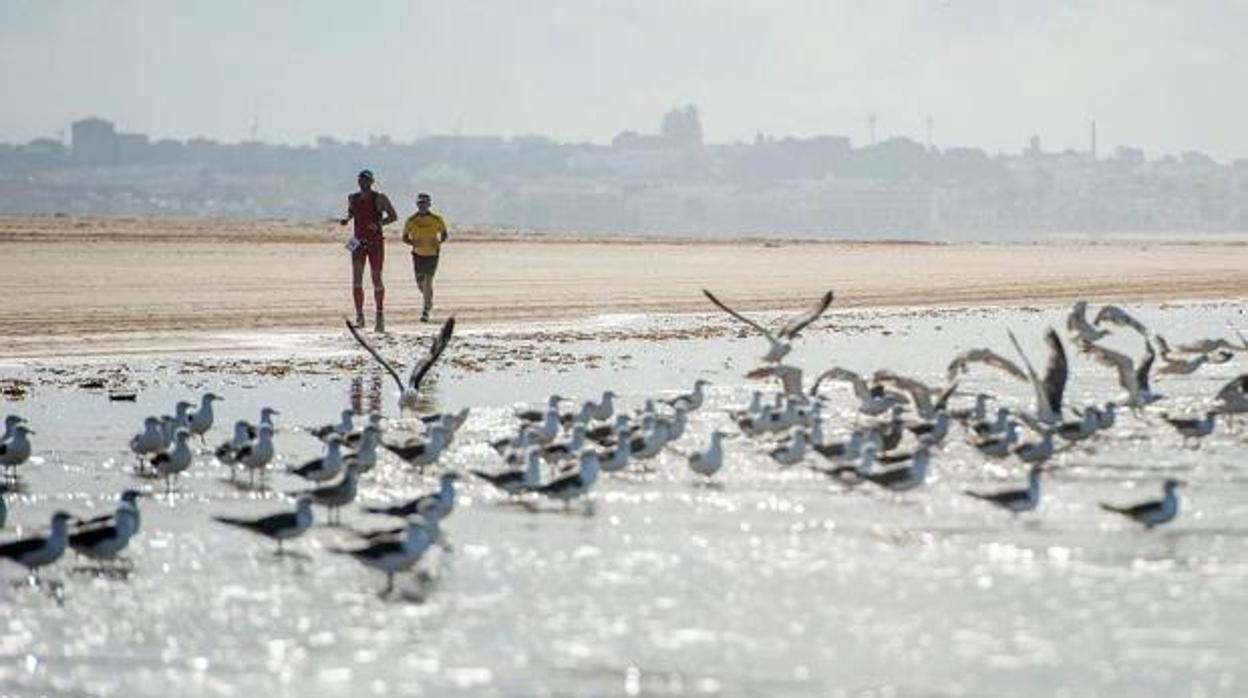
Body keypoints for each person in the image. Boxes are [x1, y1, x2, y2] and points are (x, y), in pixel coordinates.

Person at [339, 170, 397, 331]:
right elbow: (351, 212)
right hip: (357, 242)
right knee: (356, 280)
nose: (362, 183)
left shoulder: (379, 198)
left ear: (371, 182)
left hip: (375, 242)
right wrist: (346, 219)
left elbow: (393, 216)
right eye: (360, 180)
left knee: (376, 278)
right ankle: (360, 316)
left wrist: (379, 225)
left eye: (365, 180)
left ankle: (379, 316)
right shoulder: (353, 198)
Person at [401, 192, 449, 322]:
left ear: (429, 204)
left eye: (424, 203)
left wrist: (439, 242)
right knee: (420, 284)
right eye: (420, 203)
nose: (422, 206)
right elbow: (404, 238)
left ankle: (425, 311)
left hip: (432, 254)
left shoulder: (436, 219)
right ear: (417, 204)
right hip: (418, 254)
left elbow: (444, 234)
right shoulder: (411, 220)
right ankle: (428, 300)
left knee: (428, 282)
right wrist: (412, 242)